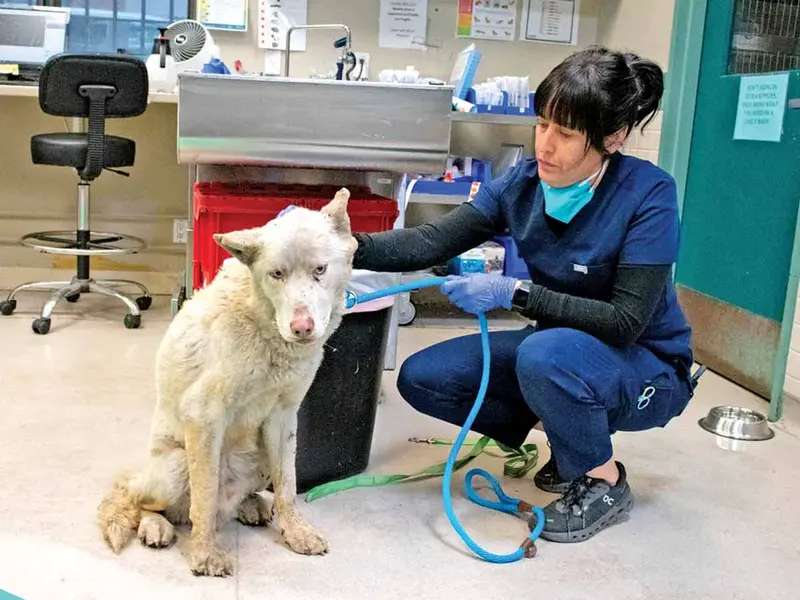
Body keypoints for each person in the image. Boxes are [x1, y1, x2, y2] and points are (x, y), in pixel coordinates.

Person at [352, 46, 700, 543]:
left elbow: (626, 322)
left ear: (613, 137)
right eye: (542, 125)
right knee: (424, 378)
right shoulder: (522, 184)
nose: (546, 145)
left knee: (543, 353)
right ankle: (571, 438)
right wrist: (343, 244)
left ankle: (604, 480)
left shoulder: (649, 194)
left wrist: (515, 292)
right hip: (562, 349)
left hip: (647, 362)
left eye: (566, 133)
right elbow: (431, 241)